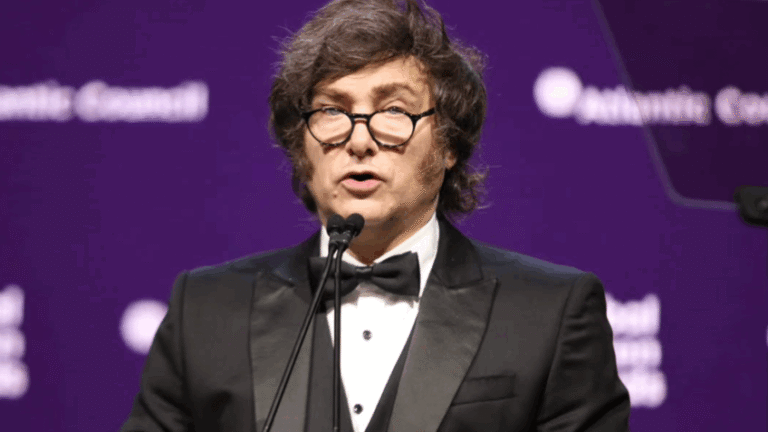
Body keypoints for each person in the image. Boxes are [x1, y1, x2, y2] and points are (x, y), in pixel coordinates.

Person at [121, 0, 631, 431]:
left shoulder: (550, 314)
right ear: (301, 146)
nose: (359, 140)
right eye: (331, 111)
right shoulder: (205, 311)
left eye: (393, 111)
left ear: (449, 143)